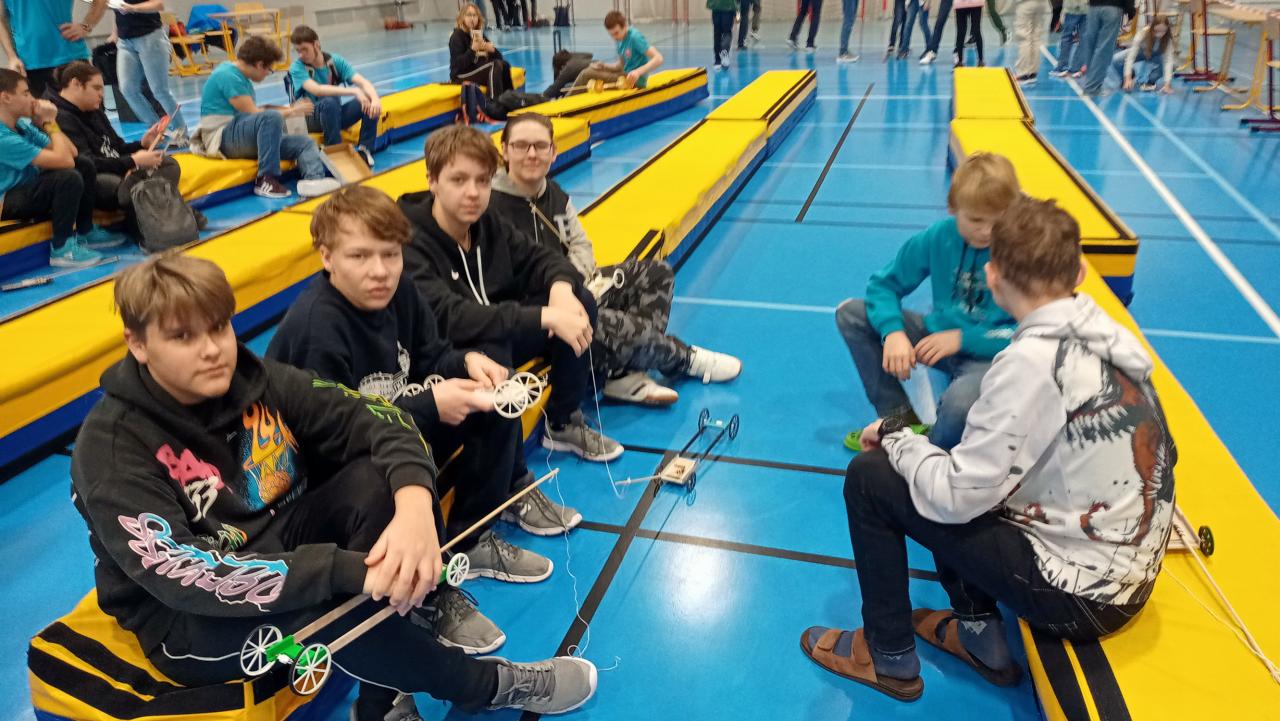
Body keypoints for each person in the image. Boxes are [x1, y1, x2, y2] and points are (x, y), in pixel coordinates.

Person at [71, 251, 598, 721]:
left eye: (219, 328)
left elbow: (381, 419)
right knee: (326, 610)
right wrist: (349, 572)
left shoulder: (253, 377)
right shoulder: (111, 447)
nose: (212, 350)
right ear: (137, 343)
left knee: (380, 481)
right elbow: (186, 575)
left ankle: (386, 689)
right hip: (187, 616)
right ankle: (486, 687)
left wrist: (416, 505)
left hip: (283, 536)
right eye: (183, 337)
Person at [802, 194, 1174, 702]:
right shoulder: (1113, 338)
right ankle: (981, 639)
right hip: (1128, 576)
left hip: (1084, 599)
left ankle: (887, 656)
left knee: (872, 477)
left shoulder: (1029, 364)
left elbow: (954, 497)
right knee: (958, 465)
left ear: (994, 278)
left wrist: (894, 437)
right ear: (1081, 273)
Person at [267, 185, 584, 655]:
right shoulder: (318, 328)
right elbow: (332, 445)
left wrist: (467, 363)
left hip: (397, 423)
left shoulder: (400, 291)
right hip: (335, 471)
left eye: (390, 254)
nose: (380, 271)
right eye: (360, 256)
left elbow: (433, 355)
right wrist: (431, 405)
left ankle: (470, 539)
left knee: (492, 399)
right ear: (327, 257)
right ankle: (427, 599)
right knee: (391, 470)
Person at [398, 125, 624, 462]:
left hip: (494, 335)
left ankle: (562, 422)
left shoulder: (487, 222)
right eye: (459, 180)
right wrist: (546, 316)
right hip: (448, 356)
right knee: (492, 348)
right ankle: (510, 477)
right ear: (432, 181)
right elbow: (452, 316)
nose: (473, 192)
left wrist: (561, 291)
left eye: (483, 181)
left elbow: (541, 258)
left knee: (581, 300)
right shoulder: (409, 240)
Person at [489, 113, 742, 406]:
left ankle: (623, 374)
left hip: (574, 288)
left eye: (540, 146)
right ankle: (684, 359)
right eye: (521, 146)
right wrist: (565, 293)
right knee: (606, 322)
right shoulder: (490, 205)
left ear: (553, 152)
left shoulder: (555, 194)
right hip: (536, 315)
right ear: (505, 150)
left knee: (656, 274)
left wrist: (573, 282)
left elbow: (582, 245)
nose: (531, 154)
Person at [836, 152, 1020, 452]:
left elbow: (1029, 331)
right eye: (975, 220)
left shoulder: (1019, 248)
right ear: (953, 208)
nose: (987, 231)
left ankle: (928, 449)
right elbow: (884, 285)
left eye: (997, 220)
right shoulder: (938, 237)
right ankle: (897, 421)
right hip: (936, 339)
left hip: (991, 353)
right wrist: (893, 332)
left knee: (959, 404)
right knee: (851, 314)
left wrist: (963, 338)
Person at [50, 61, 205, 232]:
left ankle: (152, 210)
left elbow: (117, 147)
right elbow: (88, 164)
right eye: (96, 88)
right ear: (76, 84)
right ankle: (175, 214)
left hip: (120, 170)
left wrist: (142, 144)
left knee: (168, 164)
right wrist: (132, 161)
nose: (101, 94)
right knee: (120, 186)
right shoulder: (61, 118)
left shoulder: (95, 111)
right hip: (97, 179)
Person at [0, 68, 124, 267]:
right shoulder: (2, 138)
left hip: (27, 187)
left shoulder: (21, 126)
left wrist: (49, 125)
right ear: (6, 97)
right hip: (8, 201)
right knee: (67, 177)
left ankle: (85, 231)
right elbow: (65, 161)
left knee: (83, 164)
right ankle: (61, 250)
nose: (33, 99)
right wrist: (50, 121)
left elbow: (72, 152)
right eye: (26, 93)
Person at [191, 35, 337, 200]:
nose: (268, 73)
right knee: (271, 118)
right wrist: (292, 111)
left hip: (238, 134)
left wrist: (290, 109)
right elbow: (258, 115)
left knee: (304, 143)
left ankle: (314, 181)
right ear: (260, 64)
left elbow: (258, 112)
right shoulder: (228, 76)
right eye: (269, 69)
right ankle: (266, 179)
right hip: (221, 138)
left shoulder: (239, 76)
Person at [288, 25, 380, 168]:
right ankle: (335, 152)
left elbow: (363, 82)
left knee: (368, 100)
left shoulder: (334, 62)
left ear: (316, 44)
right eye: (297, 51)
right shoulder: (297, 67)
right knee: (330, 100)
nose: (301, 55)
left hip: (332, 114)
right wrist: (355, 92)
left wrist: (375, 100)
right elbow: (318, 90)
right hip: (308, 118)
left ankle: (364, 149)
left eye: (304, 49)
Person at [112, 0, 189, 146]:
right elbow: (117, 10)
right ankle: (157, 132)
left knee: (160, 90)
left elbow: (158, 4)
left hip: (150, 37)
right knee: (128, 90)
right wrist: (114, 33)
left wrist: (133, 8)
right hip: (125, 41)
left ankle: (181, 133)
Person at [0, 0, 105, 98]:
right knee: (44, 112)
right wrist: (11, 56)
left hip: (70, 59)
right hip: (29, 65)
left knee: (89, 111)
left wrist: (85, 26)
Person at [570, 11, 663, 92]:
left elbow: (659, 58)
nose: (614, 37)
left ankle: (566, 101)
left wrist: (638, 72)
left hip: (634, 82)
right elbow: (620, 66)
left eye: (616, 33)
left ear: (625, 26)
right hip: (623, 74)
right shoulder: (620, 39)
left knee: (586, 74)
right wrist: (604, 66)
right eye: (611, 35)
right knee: (590, 70)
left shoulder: (635, 37)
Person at [450, 3, 515, 100]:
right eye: (469, 15)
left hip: (475, 70)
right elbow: (458, 64)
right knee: (493, 65)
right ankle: (493, 101)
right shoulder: (457, 36)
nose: (472, 18)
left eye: (474, 15)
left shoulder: (478, 34)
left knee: (504, 65)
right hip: (460, 75)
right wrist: (472, 50)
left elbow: (499, 59)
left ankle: (510, 99)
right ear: (462, 18)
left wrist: (492, 50)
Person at [1072, 0, 1135, 96]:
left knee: (1091, 46)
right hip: (1112, 7)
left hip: (1093, 7)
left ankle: (1090, 83)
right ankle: (1092, 87)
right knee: (1103, 49)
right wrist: (1130, 10)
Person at [1111, 15, 1174, 93]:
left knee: (1170, 65)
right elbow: (1130, 57)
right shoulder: (1142, 33)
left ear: (1167, 29)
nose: (1159, 34)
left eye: (1163, 31)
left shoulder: (1168, 39)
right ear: (1152, 27)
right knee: (1116, 59)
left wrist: (1167, 85)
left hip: (1155, 56)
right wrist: (1127, 78)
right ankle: (1130, 76)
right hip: (1140, 52)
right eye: (1156, 31)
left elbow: (1168, 61)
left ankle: (1151, 80)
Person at [1013, 0, 1052, 84]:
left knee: (1024, 37)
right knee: (1036, 37)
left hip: (1025, 3)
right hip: (1042, 4)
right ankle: (1033, 71)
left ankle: (1023, 72)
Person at [1049, 0, 1088, 77]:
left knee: (1067, 37)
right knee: (1084, 38)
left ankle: (1062, 67)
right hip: (1087, 8)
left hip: (1073, 7)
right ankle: (1076, 68)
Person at [953, 0, 986, 66]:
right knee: (960, 32)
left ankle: (981, 60)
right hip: (960, 4)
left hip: (975, 3)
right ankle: (960, 61)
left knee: (976, 30)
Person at [709, 0, 737, 69]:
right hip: (728, 5)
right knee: (726, 31)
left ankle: (717, 59)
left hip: (716, 5)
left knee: (717, 32)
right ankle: (724, 52)